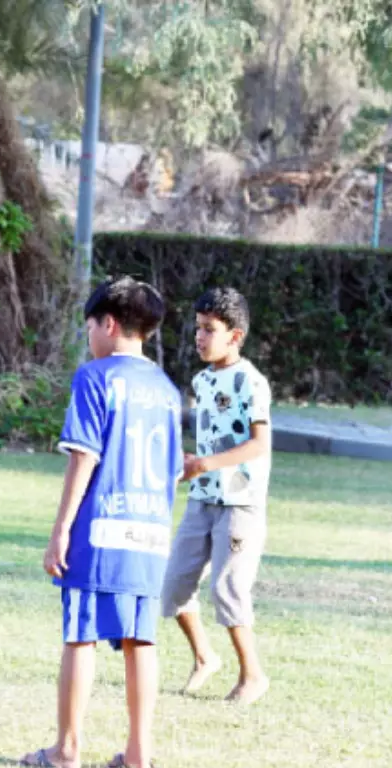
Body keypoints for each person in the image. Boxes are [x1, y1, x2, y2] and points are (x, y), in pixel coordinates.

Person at [21, 277, 182, 768]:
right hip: (150, 531)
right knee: (141, 640)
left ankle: (66, 750)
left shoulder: (95, 378)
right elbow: (174, 470)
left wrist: (61, 529)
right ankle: (139, 754)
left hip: (100, 529)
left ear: (108, 324)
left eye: (89, 326)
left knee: (81, 634)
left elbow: (84, 457)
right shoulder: (167, 390)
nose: (88, 336)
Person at [161, 287, 273, 706]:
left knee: (228, 589)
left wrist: (205, 464)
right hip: (202, 499)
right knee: (173, 586)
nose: (200, 337)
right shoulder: (202, 381)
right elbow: (211, 439)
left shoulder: (251, 382)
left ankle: (252, 675)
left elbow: (259, 444)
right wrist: (189, 464)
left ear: (235, 336)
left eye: (209, 329)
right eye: (197, 328)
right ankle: (204, 657)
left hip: (240, 504)